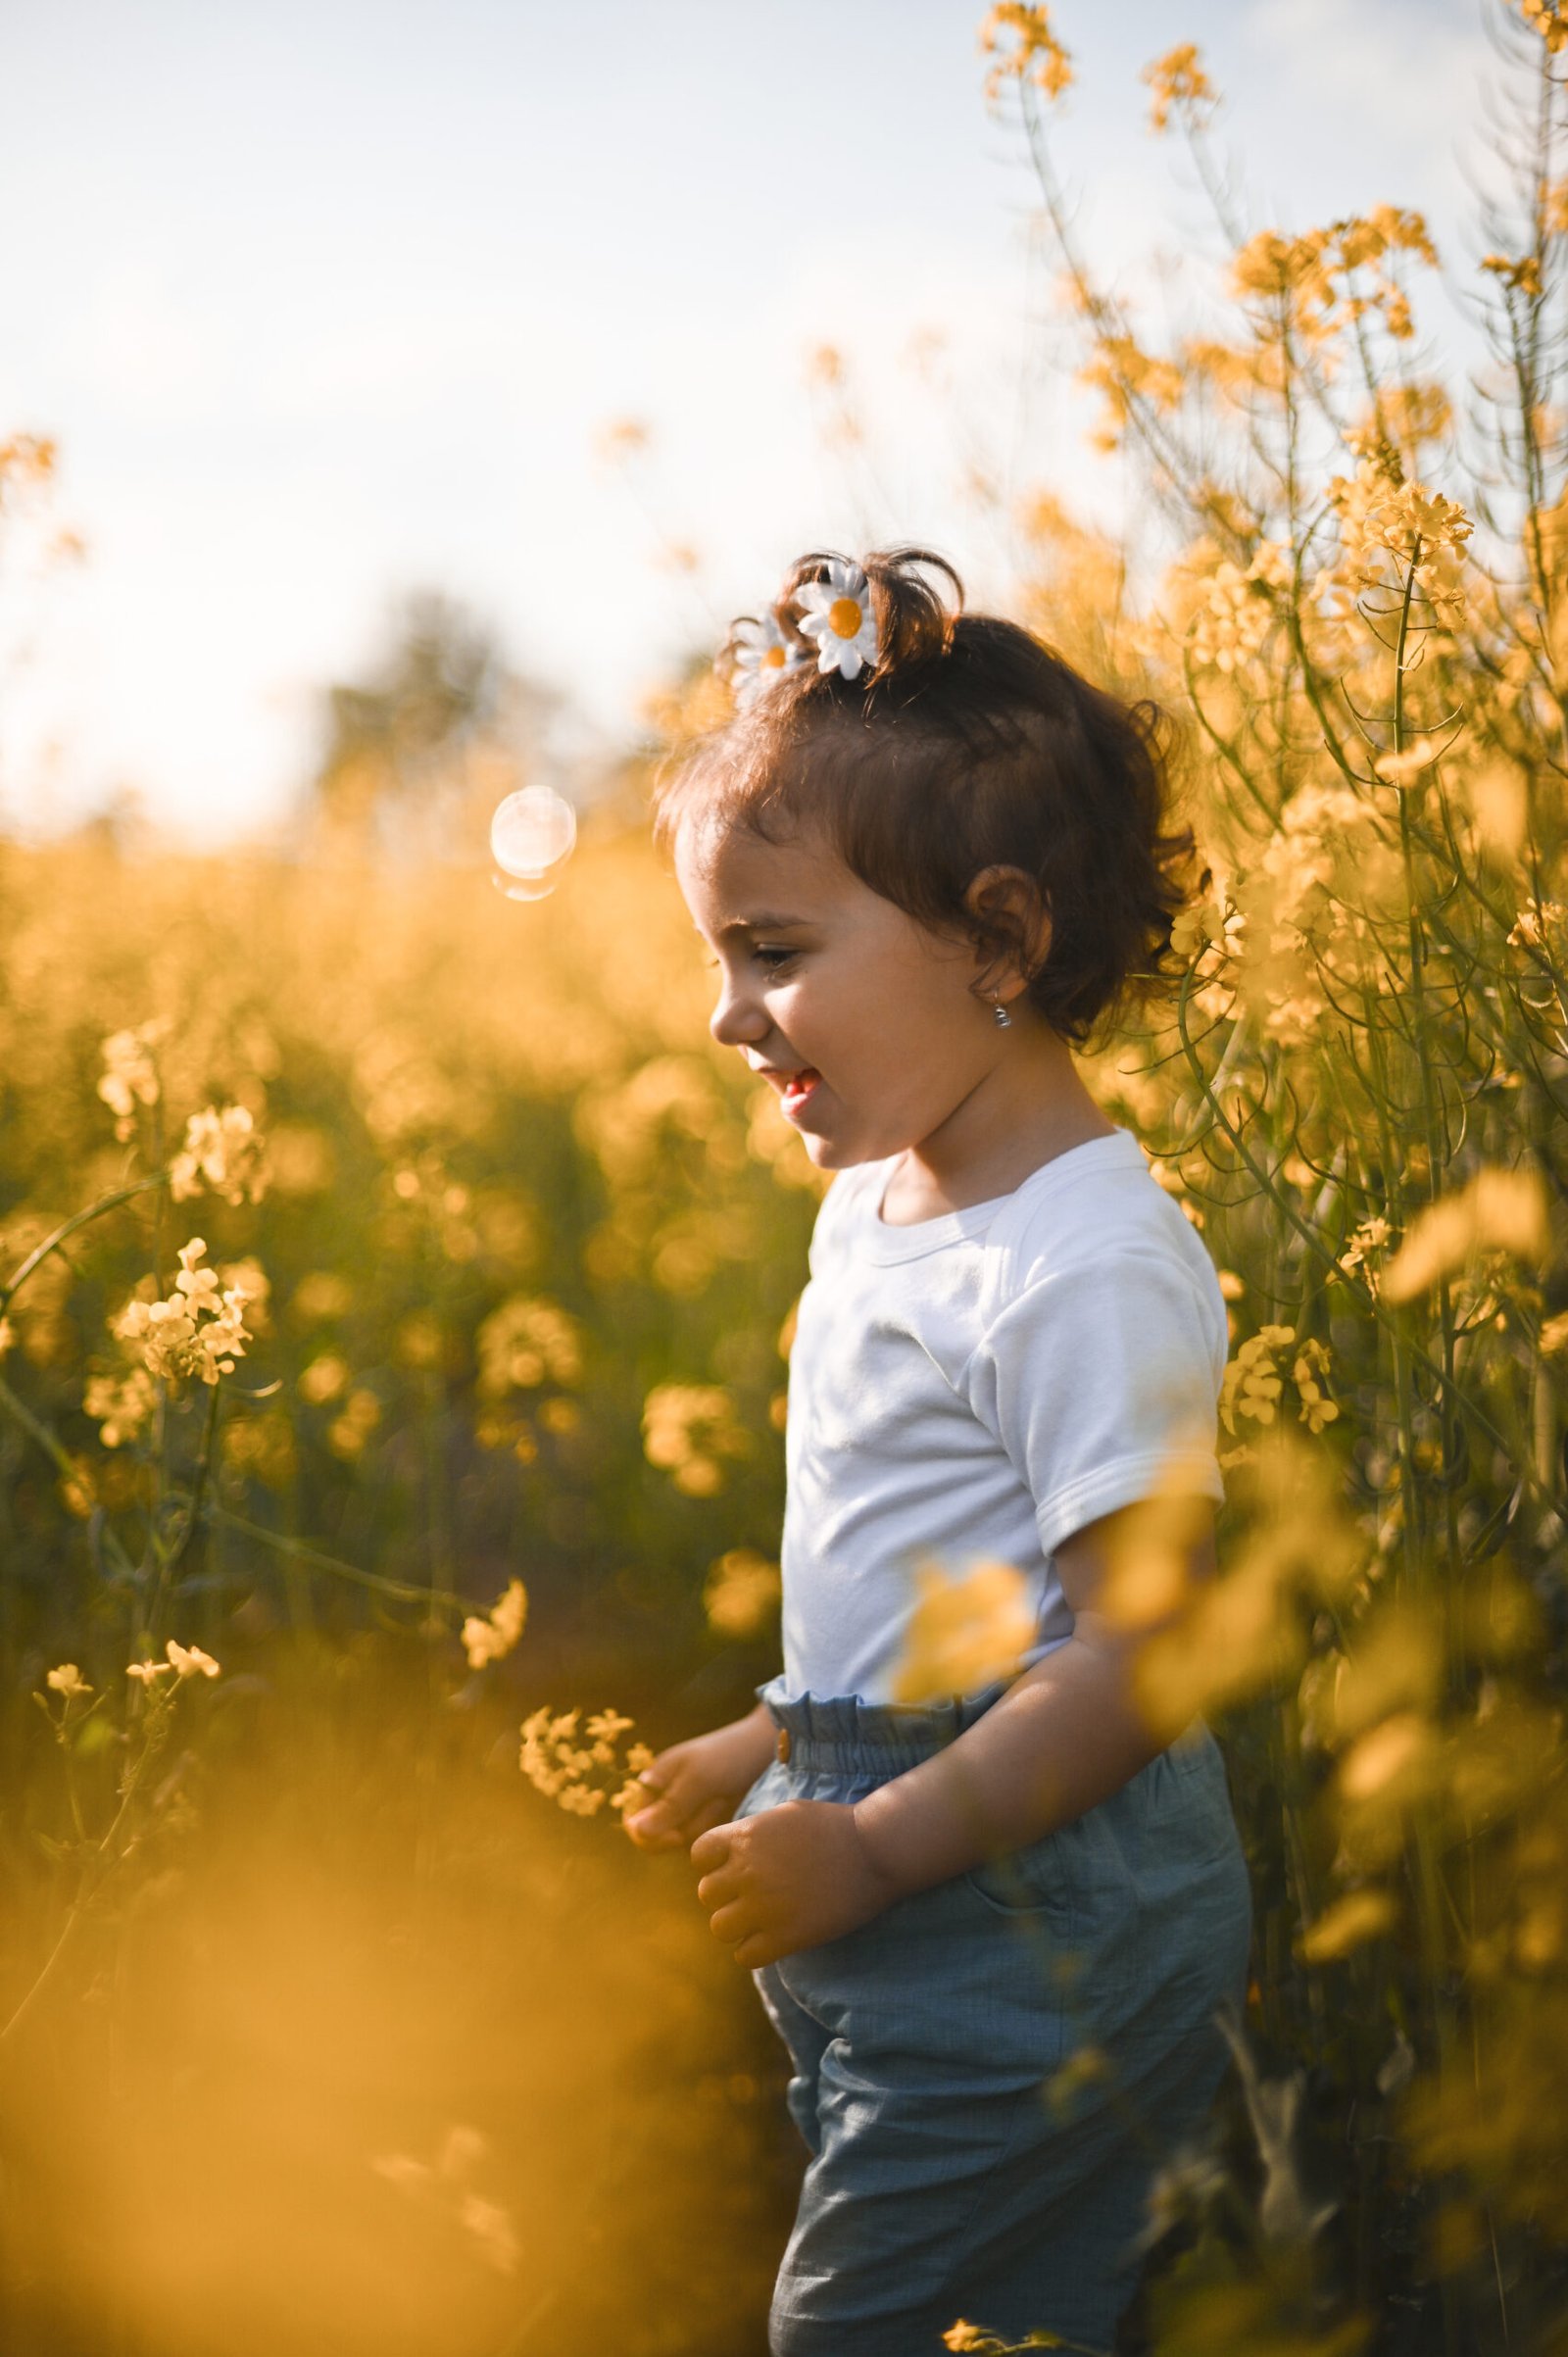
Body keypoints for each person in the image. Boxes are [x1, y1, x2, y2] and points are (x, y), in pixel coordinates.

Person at [622, 548, 1251, 2357]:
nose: (727, 1017)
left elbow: (1135, 1660)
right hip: (896, 1859)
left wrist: (877, 1848)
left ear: (997, 941)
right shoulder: (888, 1199)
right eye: (719, 956)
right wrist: (777, 1732)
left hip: (1029, 1911)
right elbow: (940, 1577)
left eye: (777, 953)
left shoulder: (1087, 1263)